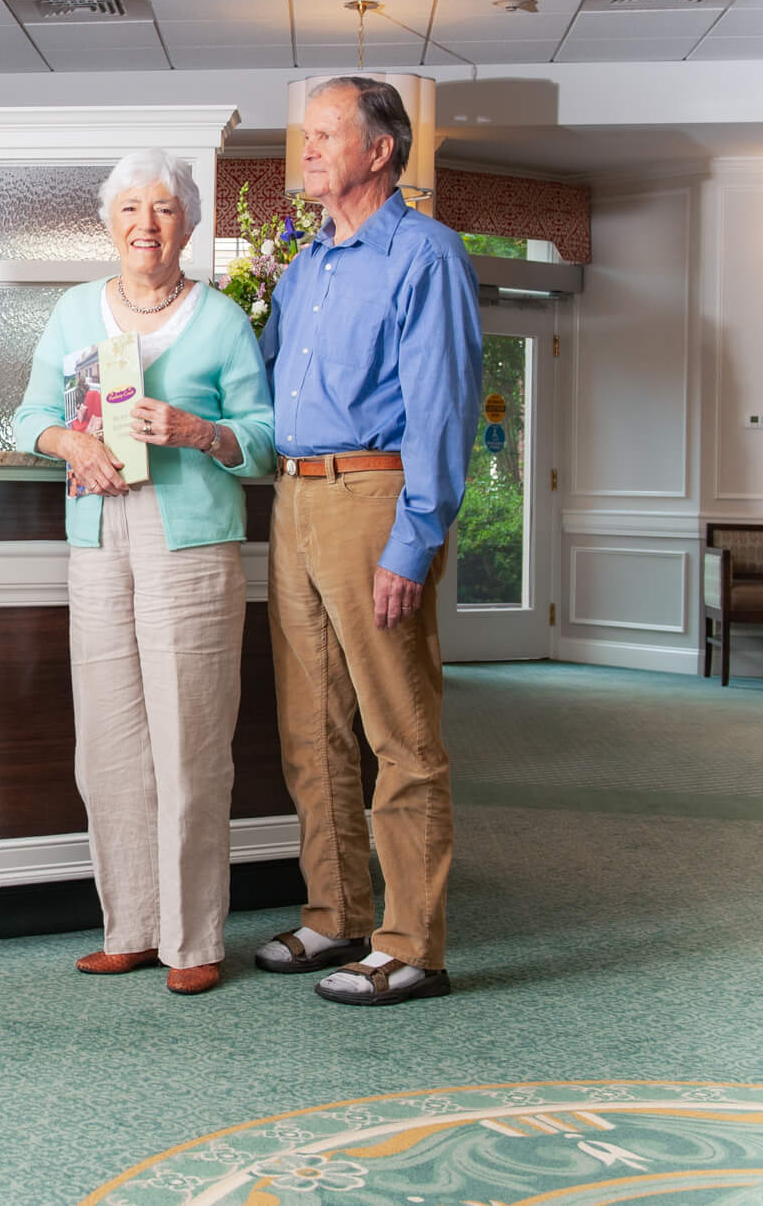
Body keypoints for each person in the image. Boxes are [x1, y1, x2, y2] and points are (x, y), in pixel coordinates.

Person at [14, 149, 276, 996]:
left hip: (190, 538)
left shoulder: (223, 320)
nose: (145, 225)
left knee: (191, 742)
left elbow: (265, 437)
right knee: (110, 743)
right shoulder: (73, 312)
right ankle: (128, 924)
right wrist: (71, 441)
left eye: (162, 208)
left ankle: (193, 936)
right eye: (130, 209)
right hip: (98, 531)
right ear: (109, 224)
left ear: (189, 225)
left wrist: (201, 431)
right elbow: (28, 416)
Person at [253, 76, 482, 1007]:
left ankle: (411, 942)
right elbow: (265, 398)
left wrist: (413, 538)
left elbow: (442, 406)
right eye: (303, 136)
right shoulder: (306, 266)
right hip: (294, 500)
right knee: (312, 728)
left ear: (380, 149)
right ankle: (335, 911)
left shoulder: (425, 255)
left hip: (375, 498)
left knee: (399, 731)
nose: (305, 150)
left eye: (324, 134)